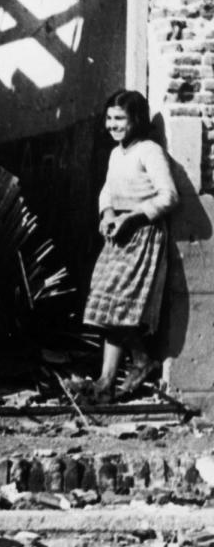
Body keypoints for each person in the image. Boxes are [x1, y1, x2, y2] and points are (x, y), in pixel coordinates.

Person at [84, 90, 179, 401]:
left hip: (143, 234)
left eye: (120, 119)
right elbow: (107, 192)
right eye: (109, 118)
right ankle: (115, 375)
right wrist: (108, 214)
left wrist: (134, 218)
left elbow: (169, 196)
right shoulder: (116, 154)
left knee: (117, 304)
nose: (113, 125)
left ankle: (116, 375)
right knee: (106, 300)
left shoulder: (149, 151)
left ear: (136, 119)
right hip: (119, 233)